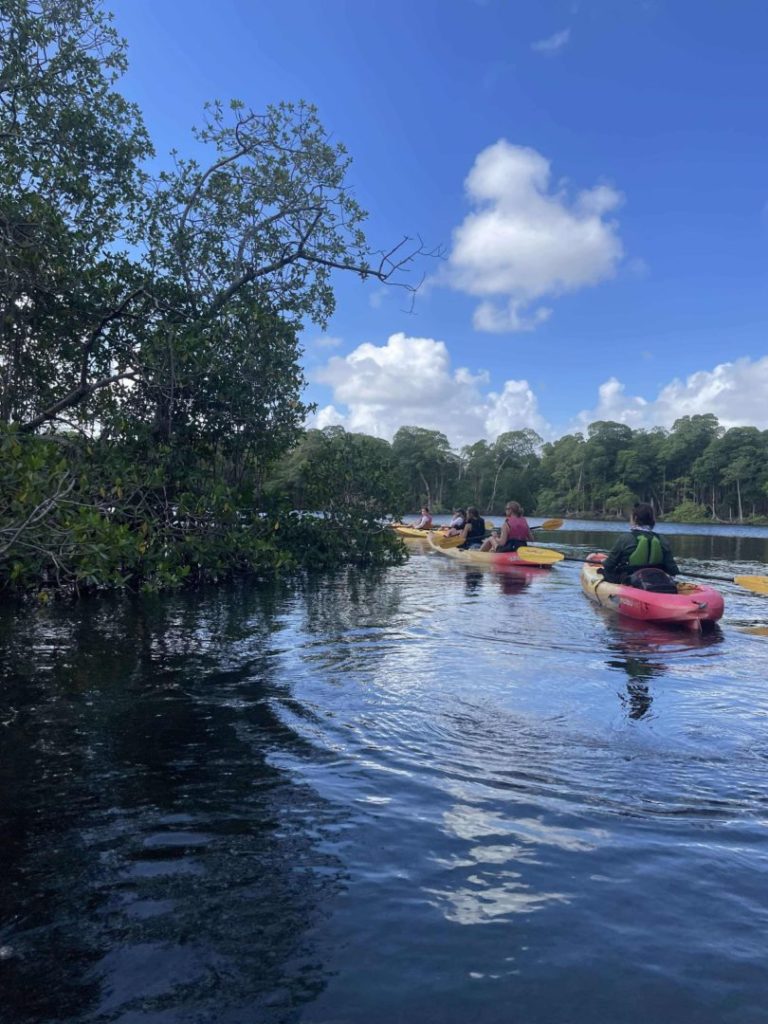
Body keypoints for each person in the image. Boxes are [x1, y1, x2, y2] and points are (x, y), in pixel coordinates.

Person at [598, 503, 679, 584]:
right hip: (657, 580)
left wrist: (604, 562)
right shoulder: (662, 539)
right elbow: (673, 570)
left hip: (630, 581)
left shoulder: (625, 538)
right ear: (652, 520)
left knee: (604, 572)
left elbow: (609, 565)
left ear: (635, 518)